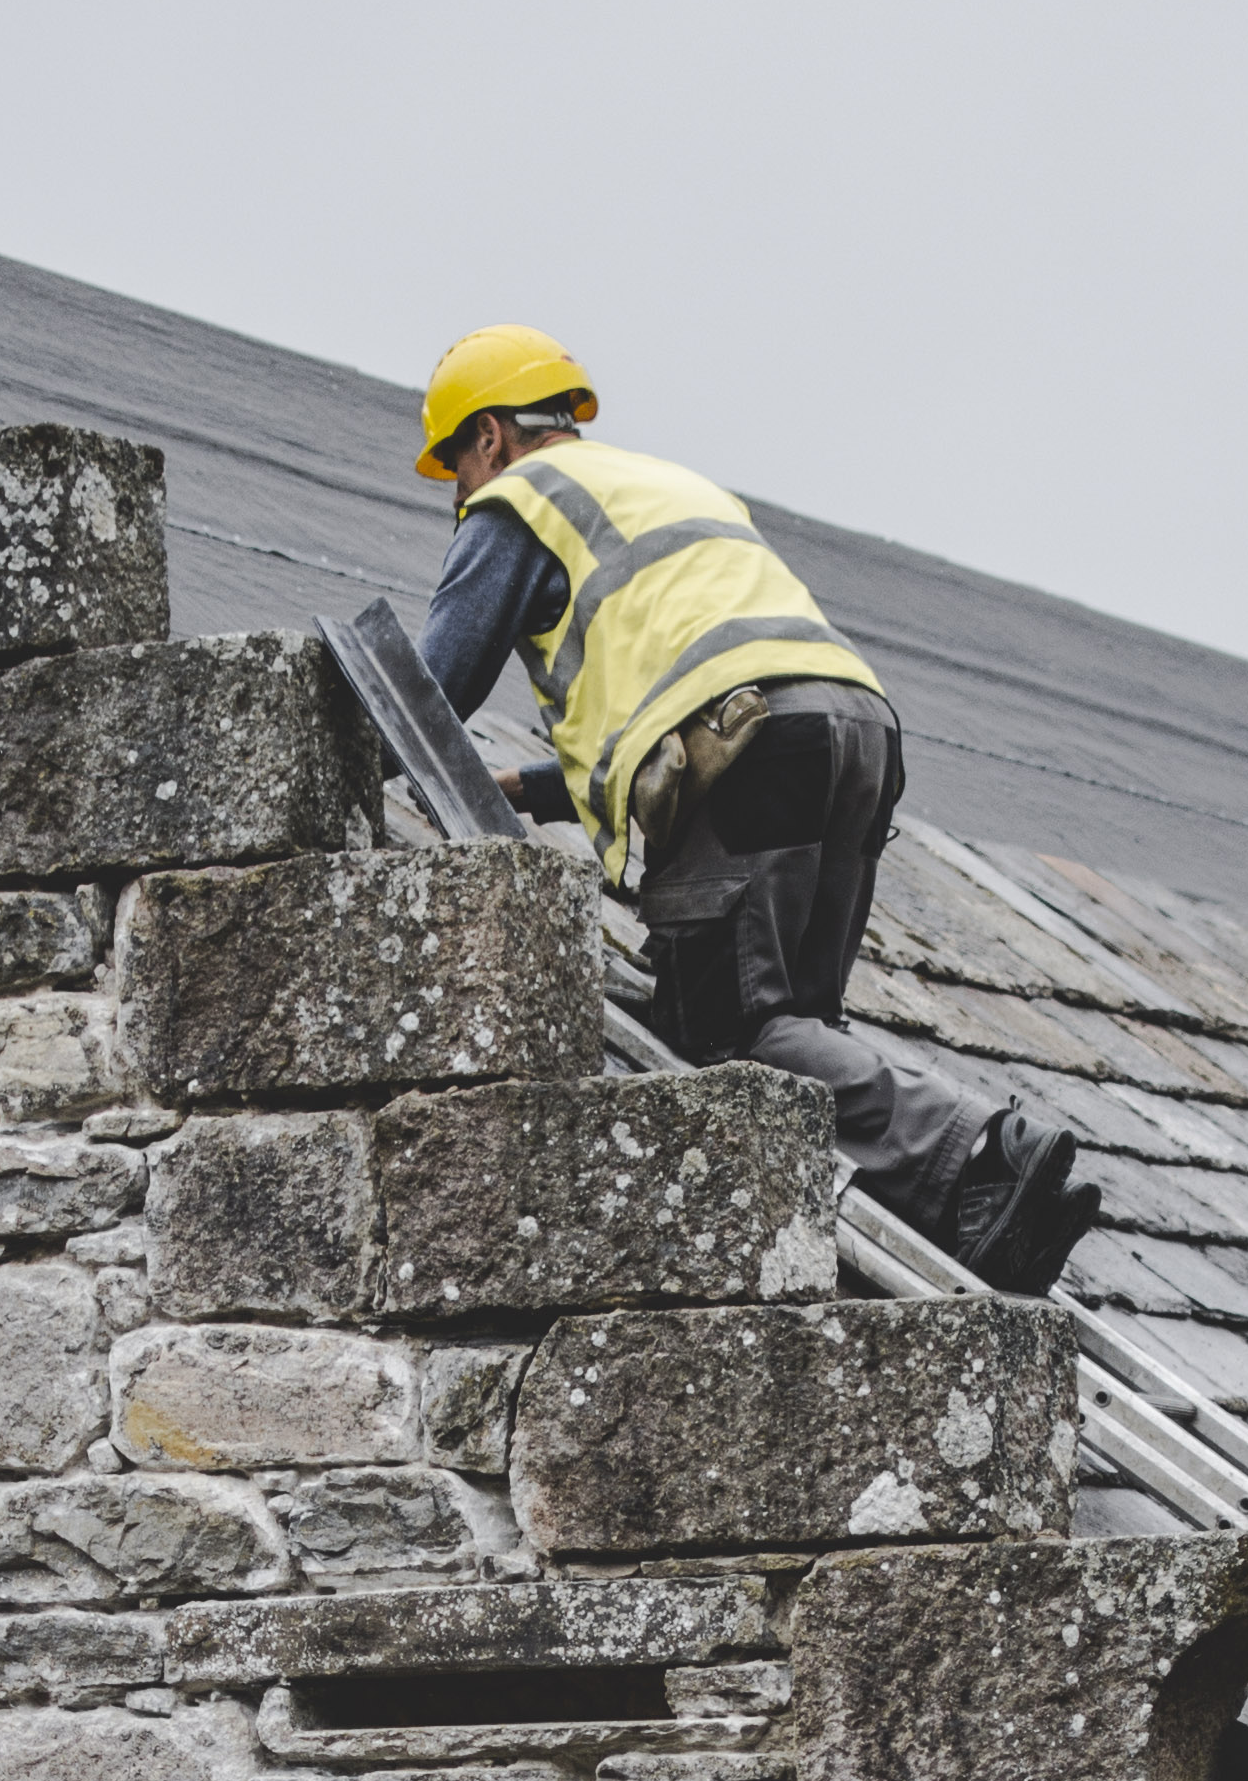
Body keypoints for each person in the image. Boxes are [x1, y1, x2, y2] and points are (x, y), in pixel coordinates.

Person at [407, 325, 1100, 1294]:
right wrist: (528, 791)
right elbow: (676, 690)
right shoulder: (665, 487)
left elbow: (424, 692)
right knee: (794, 1032)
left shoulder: (516, 503)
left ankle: (983, 1157)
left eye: (453, 465)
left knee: (725, 1032)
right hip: (849, 731)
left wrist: (364, 759)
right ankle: (981, 1218)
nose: (456, 493)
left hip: (754, 745)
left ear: (488, 436)